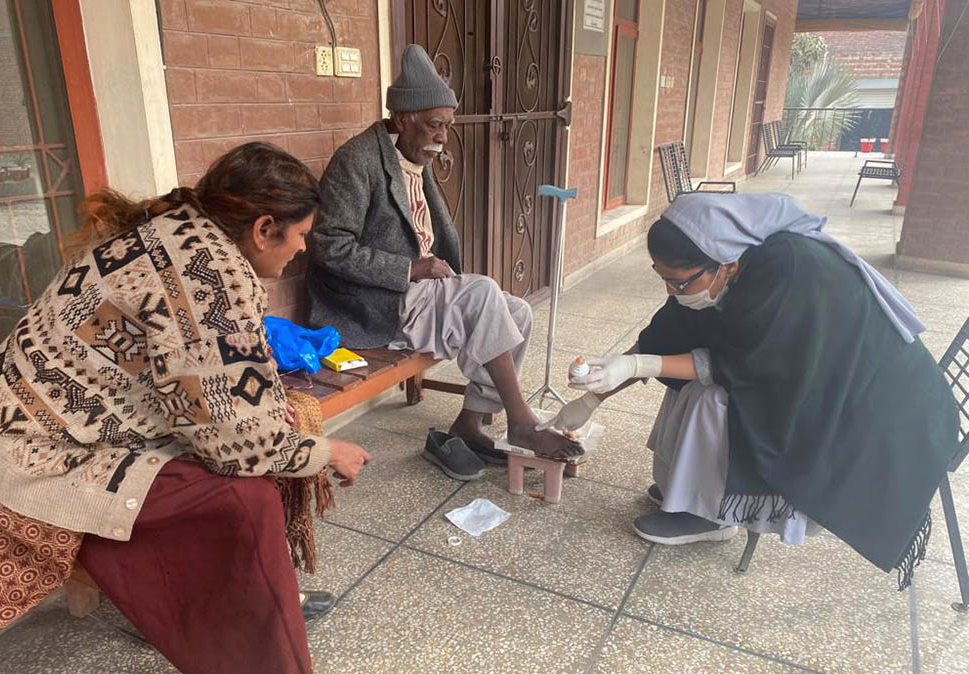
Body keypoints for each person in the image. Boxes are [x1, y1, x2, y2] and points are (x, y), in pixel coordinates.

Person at [0, 142, 371, 673]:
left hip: (5, 421)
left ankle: (228, 608)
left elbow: (211, 391)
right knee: (243, 503)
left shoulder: (178, 228)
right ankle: (262, 651)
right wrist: (327, 453)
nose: (301, 250)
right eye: (301, 236)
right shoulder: (210, 277)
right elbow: (234, 443)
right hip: (29, 453)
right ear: (263, 228)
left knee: (286, 421)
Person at [541, 192, 958, 587]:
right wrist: (591, 398)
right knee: (684, 374)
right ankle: (691, 491)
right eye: (662, 278)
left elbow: (750, 368)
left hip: (869, 406)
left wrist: (637, 364)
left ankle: (713, 515)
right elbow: (664, 339)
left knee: (713, 399)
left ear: (727, 265)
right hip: (817, 377)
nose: (672, 291)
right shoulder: (716, 261)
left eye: (679, 282)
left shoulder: (792, 271)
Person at [305, 44, 580, 480]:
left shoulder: (413, 154)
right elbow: (328, 246)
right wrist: (411, 269)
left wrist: (442, 274)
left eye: (447, 126)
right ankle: (521, 421)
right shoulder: (356, 161)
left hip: (419, 292)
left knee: (519, 312)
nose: (442, 137)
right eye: (435, 125)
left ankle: (468, 424)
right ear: (401, 119)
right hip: (375, 302)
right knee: (484, 293)